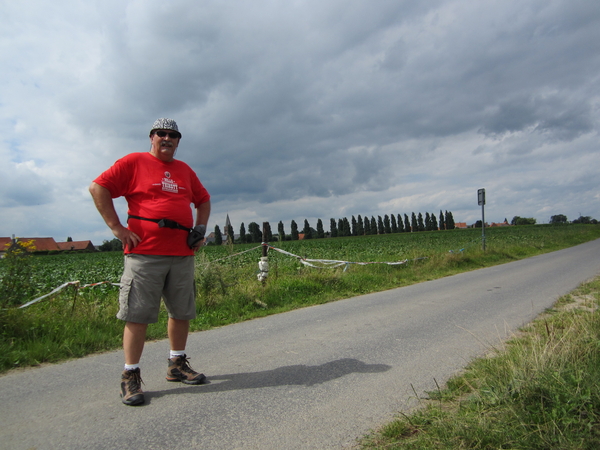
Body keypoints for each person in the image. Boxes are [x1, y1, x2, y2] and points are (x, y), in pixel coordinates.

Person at [89, 118, 211, 406]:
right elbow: (98, 188)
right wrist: (117, 229)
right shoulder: (134, 162)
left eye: (173, 135)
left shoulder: (185, 170)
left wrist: (200, 229)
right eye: (162, 133)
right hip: (145, 253)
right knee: (138, 315)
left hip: (182, 253)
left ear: (179, 141)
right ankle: (130, 376)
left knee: (181, 312)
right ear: (152, 137)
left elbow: (203, 200)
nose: (167, 138)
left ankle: (176, 364)